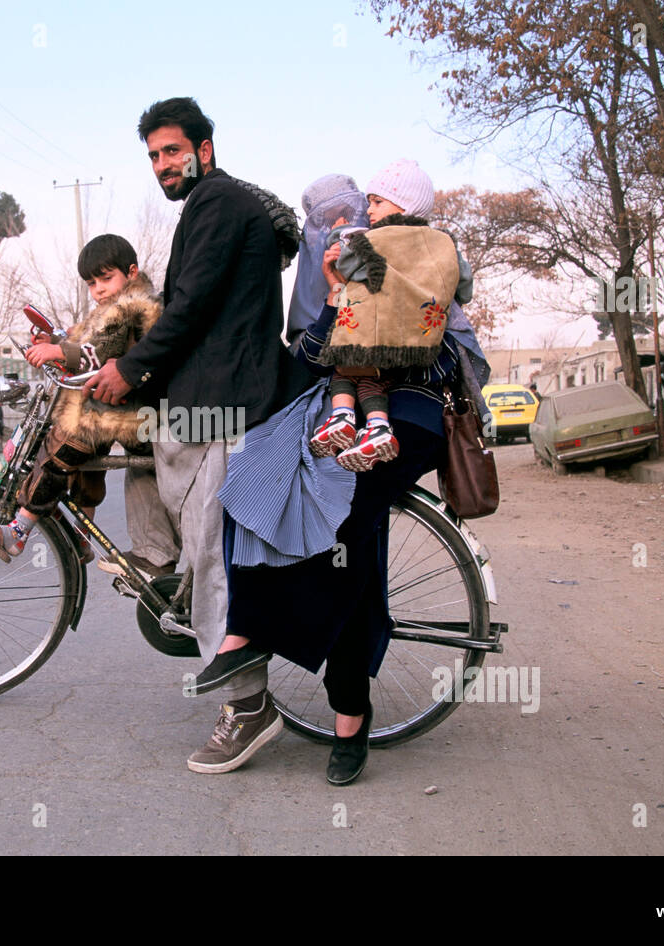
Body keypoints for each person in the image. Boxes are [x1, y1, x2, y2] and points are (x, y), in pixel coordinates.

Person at [200, 168, 490, 785]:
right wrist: (337, 299)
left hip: (410, 414)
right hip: (341, 415)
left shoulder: (427, 264)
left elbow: (453, 361)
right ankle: (247, 634)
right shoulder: (342, 266)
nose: (353, 222)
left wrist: (390, 319)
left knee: (346, 529)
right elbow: (309, 357)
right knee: (253, 478)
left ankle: (343, 708)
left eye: (371, 207)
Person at [82, 97, 310, 774]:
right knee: (199, 546)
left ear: (203, 149)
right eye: (153, 155)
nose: (162, 164)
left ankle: (248, 708)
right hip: (207, 401)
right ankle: (197, 622)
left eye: (172, 150)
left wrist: (133, 368)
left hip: (226, 405)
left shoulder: (218, 204)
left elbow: (192, 306)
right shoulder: (211, 209)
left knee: (211, 553)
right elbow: (191, 315)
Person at [0, 234, 162, 561]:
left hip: (143, 413)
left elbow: (101, 351)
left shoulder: (134, 305)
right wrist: (56, 338)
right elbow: (88, 342)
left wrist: (57, 349)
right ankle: (82, 537)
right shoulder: (114, 306)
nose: (98, 288)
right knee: (83, 454)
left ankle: (18, 531)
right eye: (91, 282)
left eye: (106, 278)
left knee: (69, 438)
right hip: (125, 408)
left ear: (131, 272)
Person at [307, 158, 471, 472]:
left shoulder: (372, 239)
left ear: (405, 206)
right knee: (376, 383)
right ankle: (378, 429)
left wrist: (342, 238)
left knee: (346, 372)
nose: (369, 211)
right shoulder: (446, 245)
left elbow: (349, 264)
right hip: (420, 345)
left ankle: (342, 418)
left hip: (371, 338)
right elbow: (464, 288)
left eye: (377, 202)